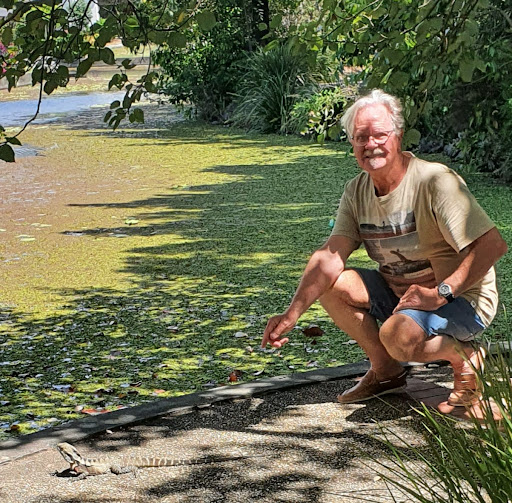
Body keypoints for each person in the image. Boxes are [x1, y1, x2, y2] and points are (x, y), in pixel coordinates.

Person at [261, 89, 508, 407]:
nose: (371, 144)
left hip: (462, 300)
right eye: (361, 137)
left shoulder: (434, 181)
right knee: (331, 283)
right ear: (352, 143)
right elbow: (330, 256)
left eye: (379, 134)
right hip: (402, 297)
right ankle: (387, 371)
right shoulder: (356, 192)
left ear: (398, 135)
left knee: (396, 335)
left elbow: (492, 245)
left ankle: (465, 356)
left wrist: (440, 293)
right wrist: (292, 313)